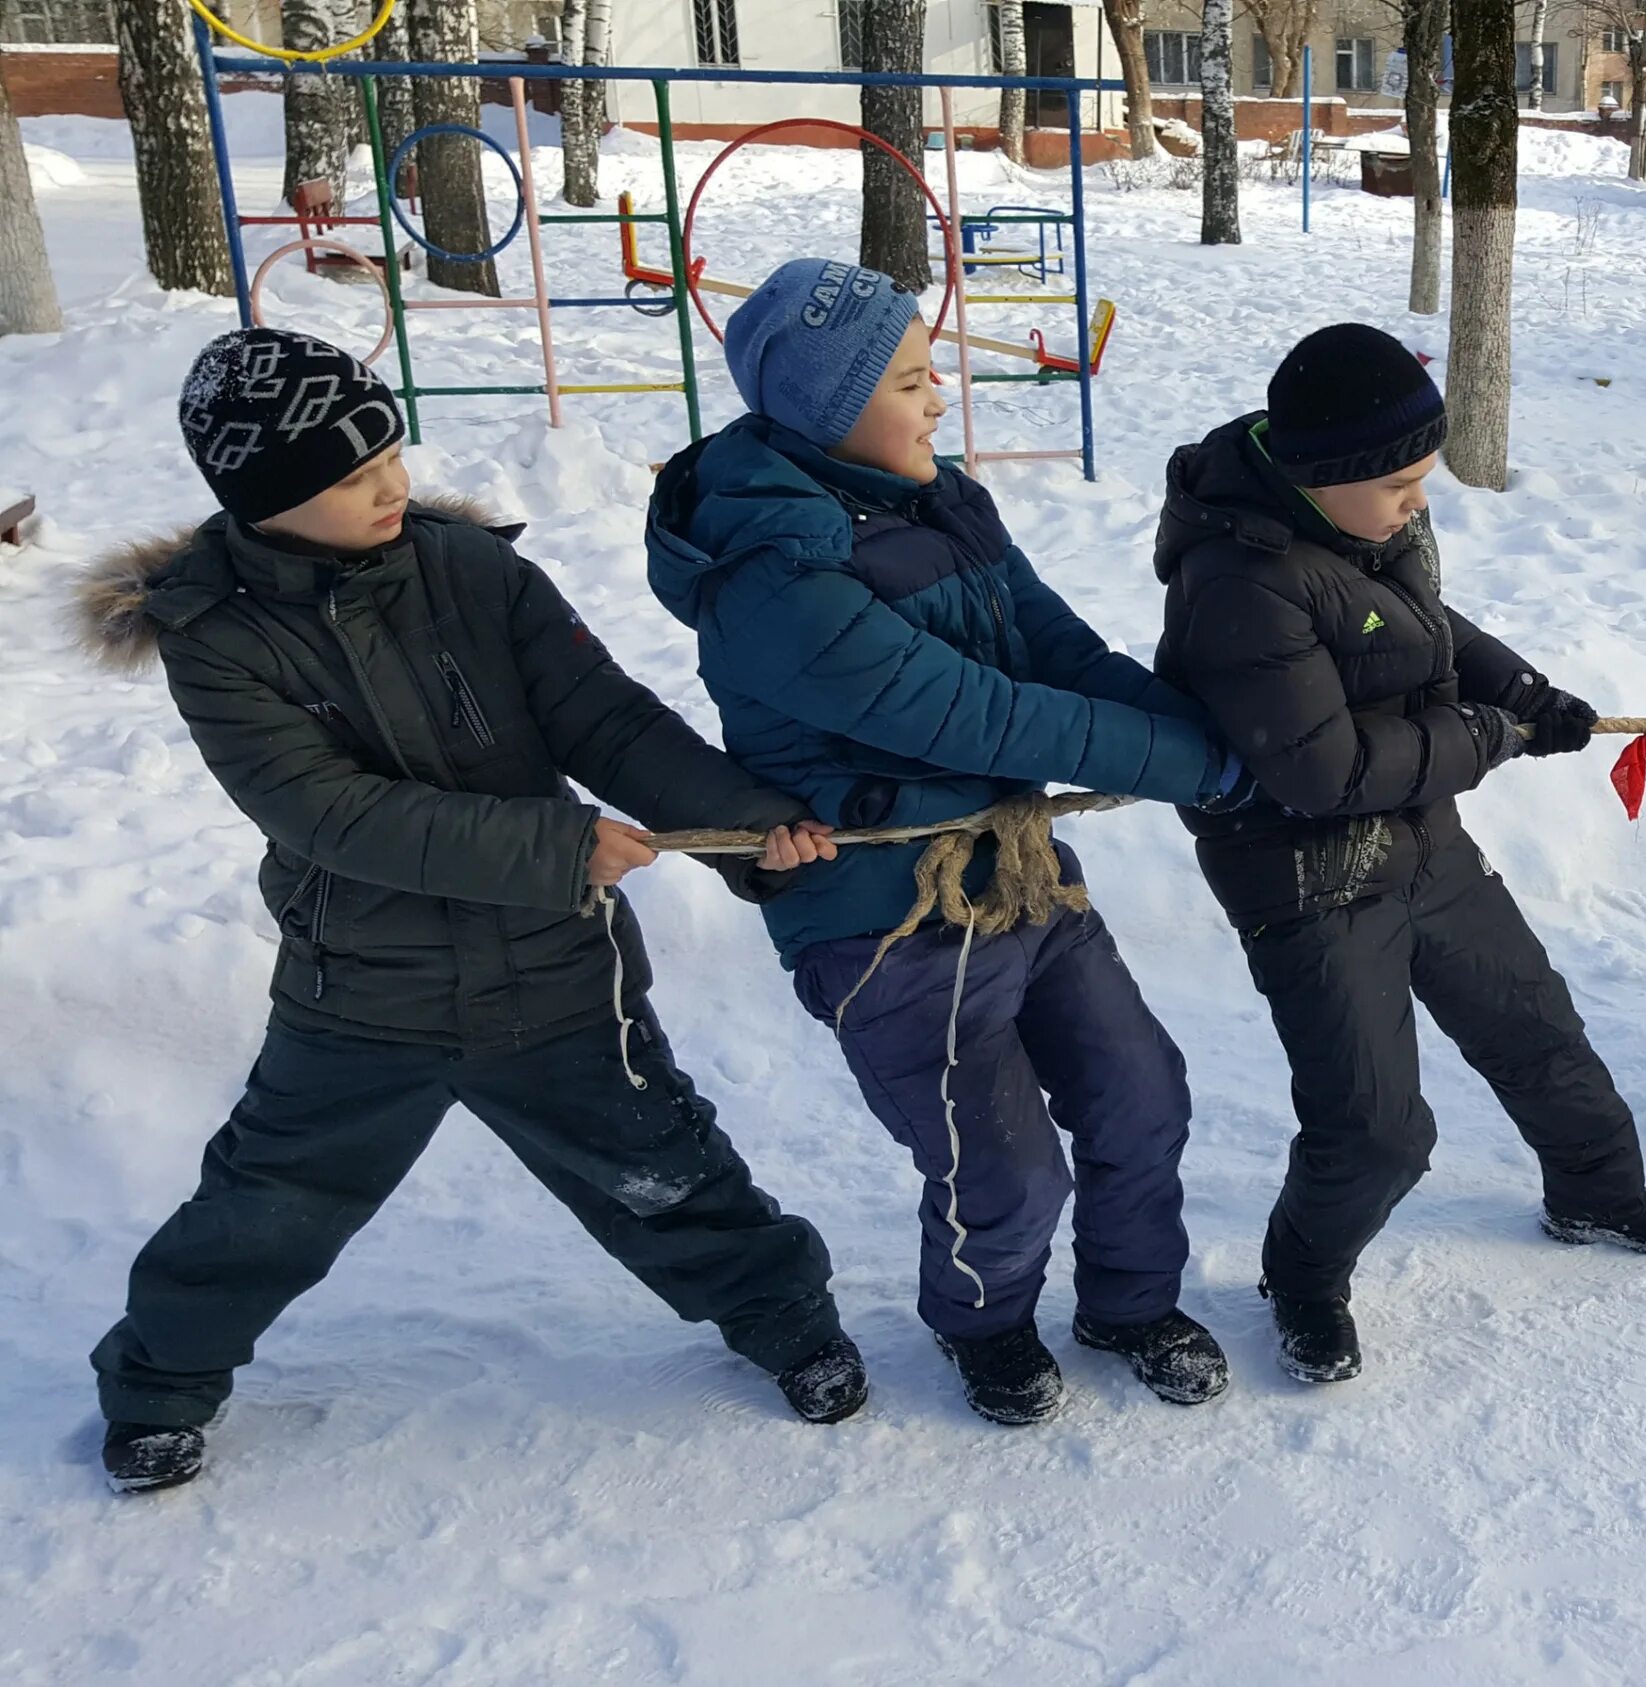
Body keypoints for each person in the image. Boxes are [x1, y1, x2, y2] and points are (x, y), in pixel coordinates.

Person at [77, 328, 861, 1494]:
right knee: (269, 1204)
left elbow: (606, 719)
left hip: (554, 968)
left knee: (661, 1168)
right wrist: (557, 845)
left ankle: (790, 1323)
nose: (391, 482)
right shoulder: (216, 635)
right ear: (267, 497)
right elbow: (333, 814)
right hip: (364, 991)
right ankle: (156, 1386)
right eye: (350, 476)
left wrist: (747, 825)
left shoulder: (470, 568)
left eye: (388, 449)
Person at [646, 260, 1252, 1428]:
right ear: (830, 412)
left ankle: (1130, 1303)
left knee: (1142, 1095)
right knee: (1005, 1167)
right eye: (914, 382)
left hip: (1017, 870)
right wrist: (1204, 772)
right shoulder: (773, 580)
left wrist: (1227, 735)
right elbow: (987, 715)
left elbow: (1055, 656)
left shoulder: (939, 498)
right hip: (884, 916)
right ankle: (987, 1326)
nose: (940, 403)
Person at [1152, 323, 1646, 1384]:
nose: (1423, 501)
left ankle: (1595, 1188)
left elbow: (1423, 624)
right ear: (1327, 476)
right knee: (1375, 1128)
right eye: (1405, 481)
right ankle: (1304, 1277)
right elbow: (1322, 773)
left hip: (1422, 840)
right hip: (1310, 880)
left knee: (1534, 1021)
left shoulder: (1368, 526)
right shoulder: (1238, 585)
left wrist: (1524, 691)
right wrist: (1488, 739)